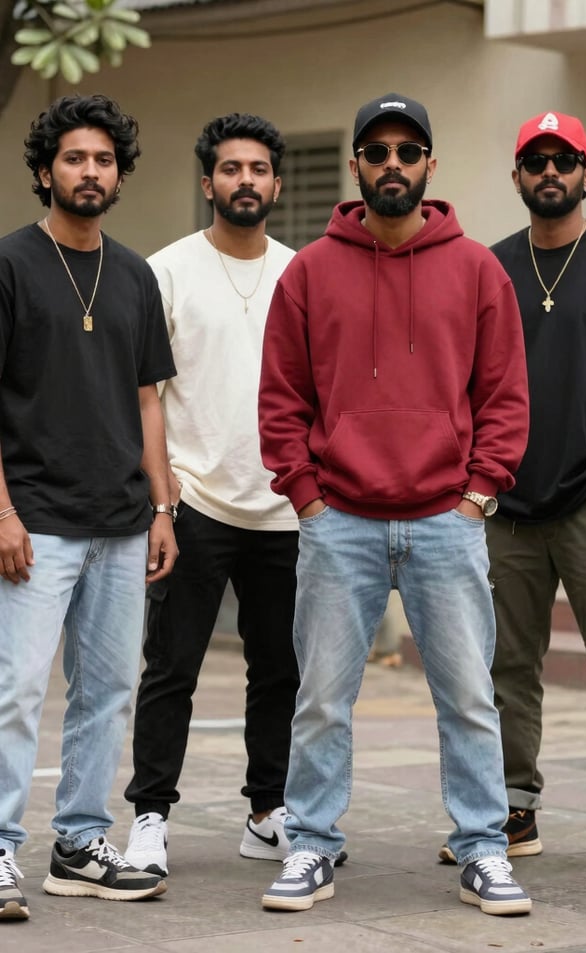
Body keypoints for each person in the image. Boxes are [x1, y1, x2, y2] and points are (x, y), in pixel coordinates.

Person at [258, 93, 532, 917]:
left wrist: (480, 492)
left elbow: (505, 394)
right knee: (321, 697)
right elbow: (281, 398)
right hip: (338, 518)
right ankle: (311, 842)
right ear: (356, 167)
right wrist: (305, 495)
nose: (391, 164)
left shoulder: (477, 268)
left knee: (470, 697)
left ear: (428, 167)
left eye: (406, 151)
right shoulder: (309, 270)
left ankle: (484, 848)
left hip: (446, 518)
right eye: (376, 151)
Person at [438, 111, 586, 868]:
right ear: (518, 178)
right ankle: (511, 809)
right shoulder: (489, 266)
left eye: (565, 160)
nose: (551, 172)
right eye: (537, 161)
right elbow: (463, 378)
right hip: (505, 498)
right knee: (503, 667)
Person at [0, 94, 177, 921]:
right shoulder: (9, 266)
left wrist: (163, 507)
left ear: (118, 174)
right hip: (33, 518)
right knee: (16, 691)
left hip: (120, 521)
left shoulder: (136, 274)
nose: (90, 171)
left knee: (106, 691)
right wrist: (1, 513)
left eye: (103, 159)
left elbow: (148, 401)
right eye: (75, 158)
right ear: (46, 171)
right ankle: (0, 847)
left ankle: (77, 843)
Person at [122, 113, 307, 878]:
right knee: (171, 669)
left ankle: (268, 811)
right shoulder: (165, 271)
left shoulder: (302, 272)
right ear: (208, 183)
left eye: (258, 169)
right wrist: (162, 504)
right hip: (195, 504)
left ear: (276, 183)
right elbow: (146, 397)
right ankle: (150, 817)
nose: (245, 181)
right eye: (231, 169)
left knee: (281, 671)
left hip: (286, 507)